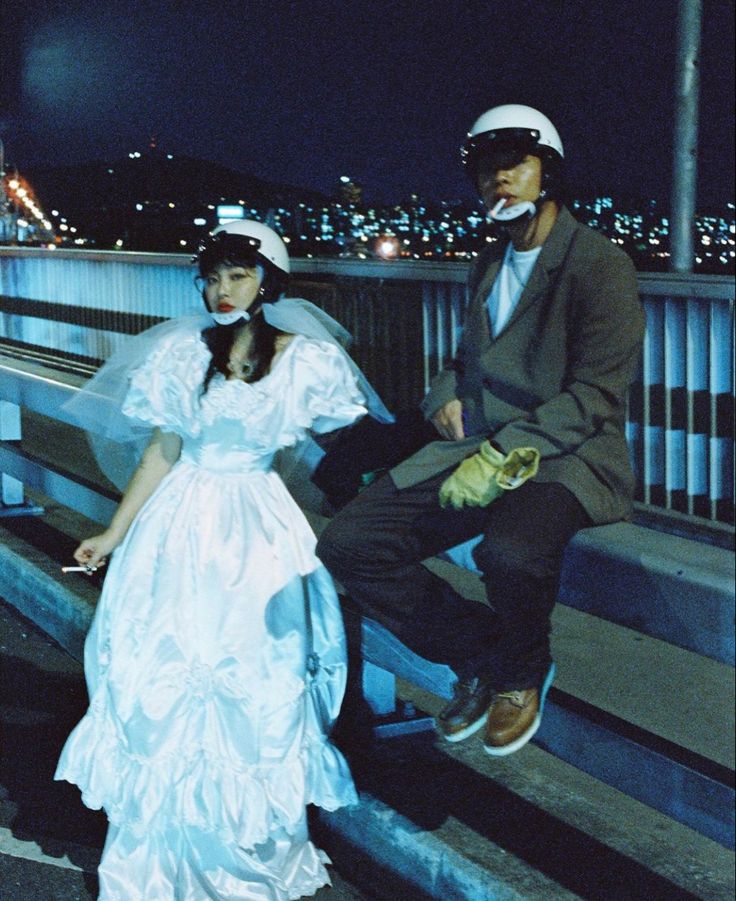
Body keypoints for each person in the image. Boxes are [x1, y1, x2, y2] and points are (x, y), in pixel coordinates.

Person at [55, 219, 391, 899]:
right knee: (165, 674)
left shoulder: (306, 360)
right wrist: (116, 532)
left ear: (269, 280)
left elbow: (353, 452)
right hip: (179, 527)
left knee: (260, 682)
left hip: (259, 533)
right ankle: (160, 852)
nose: (221, 289)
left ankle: (251, 852)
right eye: (211, 277)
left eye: (236, 274)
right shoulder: (182, 353)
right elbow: (164, 450)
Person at [317, 104, 645, 757]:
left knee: (512, 552)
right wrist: (444, 395)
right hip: (473, 447)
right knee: (352, 542)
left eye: (515, 166)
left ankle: (523, 675)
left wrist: (501, 451)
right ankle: (488, 657)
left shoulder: (597, 263)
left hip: (564, 455)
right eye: (488, 171)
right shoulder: (489, 262)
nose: (500, 181)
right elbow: (463, 363)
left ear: (546, 172)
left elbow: (596, 394)